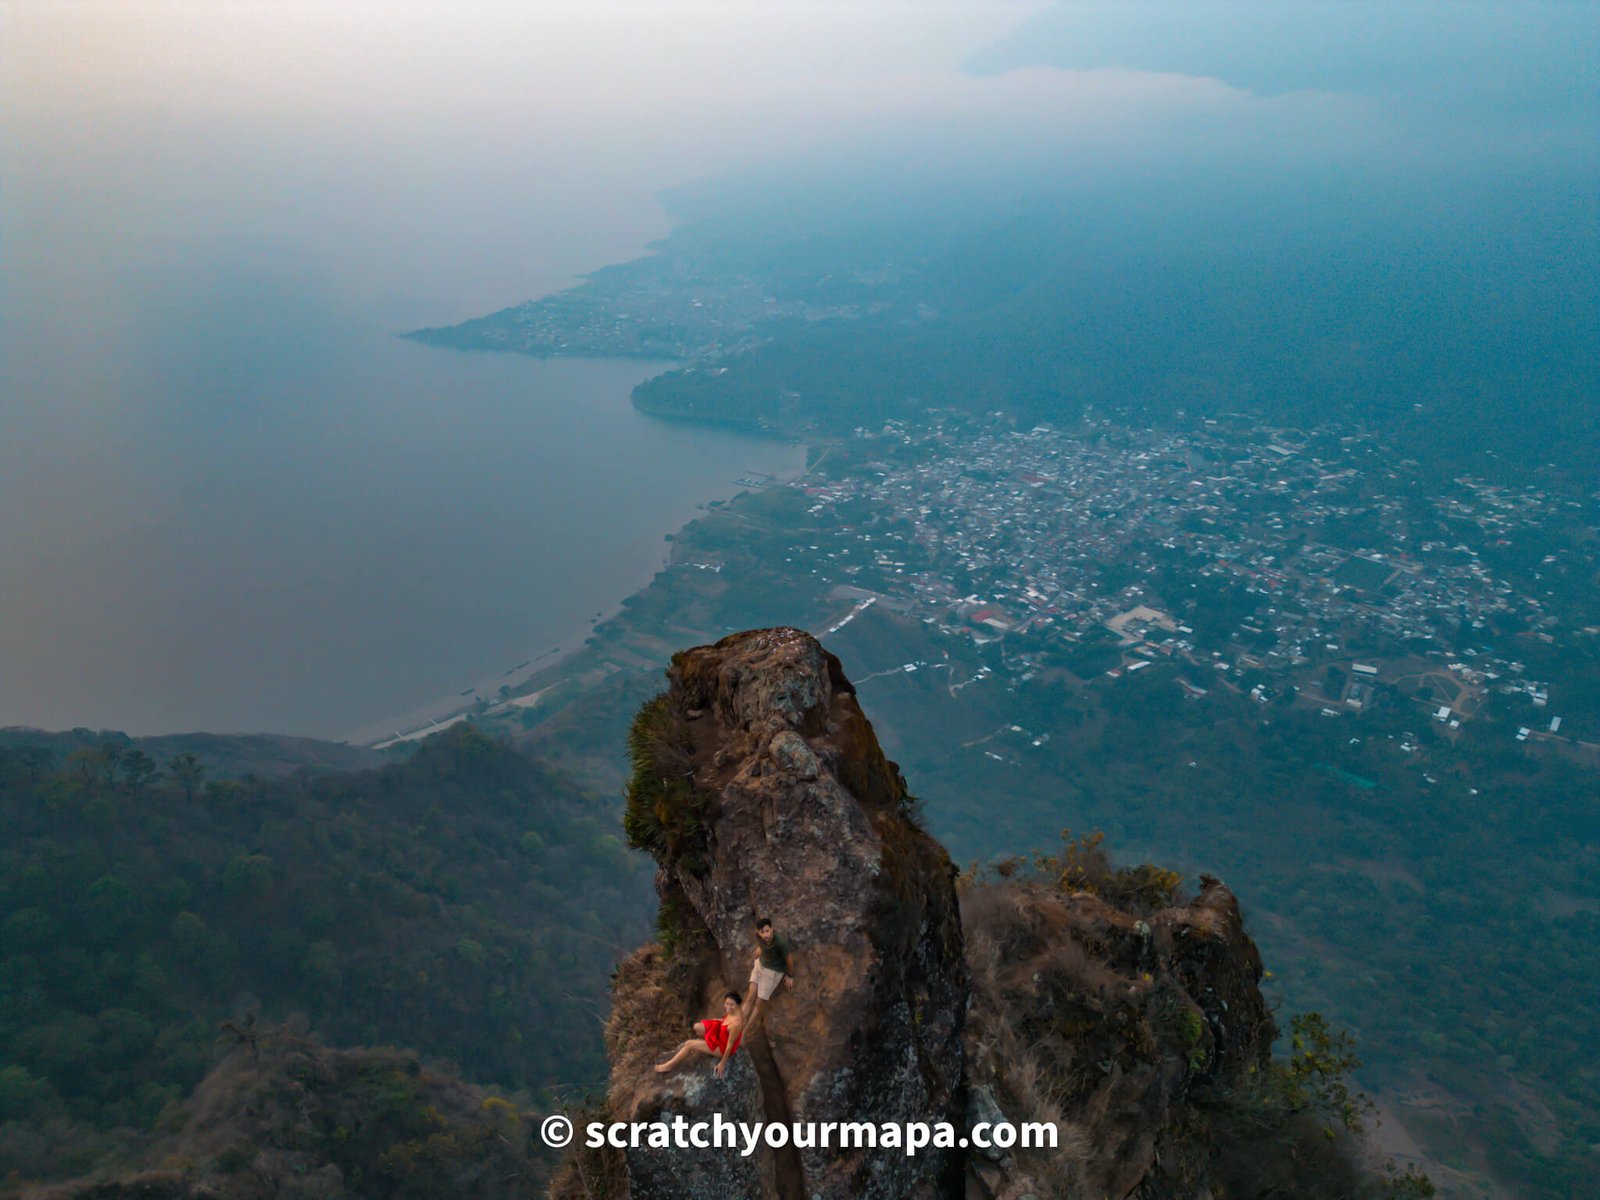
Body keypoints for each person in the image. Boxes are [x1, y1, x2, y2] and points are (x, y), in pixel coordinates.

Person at [654, 992, 745, 1078]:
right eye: (726, 1003)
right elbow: (729, 1026)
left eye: (731, 1004)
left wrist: (722, 1063)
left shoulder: (736, 1024)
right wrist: (718, 1020)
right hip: (721, 1033)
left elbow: (729, 1045)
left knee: (689, 1044)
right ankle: (703, 1044)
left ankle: (668, 1066)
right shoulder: (733, 1011)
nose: (728, 1007)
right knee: (697, 1027)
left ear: (738, 1005)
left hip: (722, 1047)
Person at [742, 917, 794, 1029]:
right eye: (762, 932)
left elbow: (789, 960)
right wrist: (760, 948)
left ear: (772, 929)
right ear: (758, 933)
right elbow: (761, 941)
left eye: (767, 931)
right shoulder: (759, 936)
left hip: (772, 973)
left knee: (758, 1003)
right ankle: (735, 1026)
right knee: (750, 997)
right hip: (760, 965)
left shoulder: (780, 942)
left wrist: (789, 975)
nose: (765, 935)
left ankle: (744, 1032)